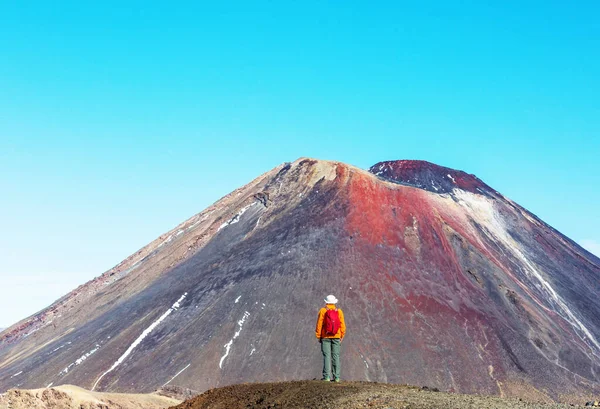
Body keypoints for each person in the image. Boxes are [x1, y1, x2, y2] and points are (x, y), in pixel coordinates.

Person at [315, 294, 346, 382]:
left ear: (326, 302)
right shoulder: (339, 311)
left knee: (327, 356)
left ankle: (327, 377)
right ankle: (336, 377)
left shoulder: (323, 311)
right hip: (336, 336)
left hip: (325, 336)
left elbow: (319, 324)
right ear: (334, 302)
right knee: (336, 356)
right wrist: (341, 336)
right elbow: (342, 325)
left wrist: (318, 336)